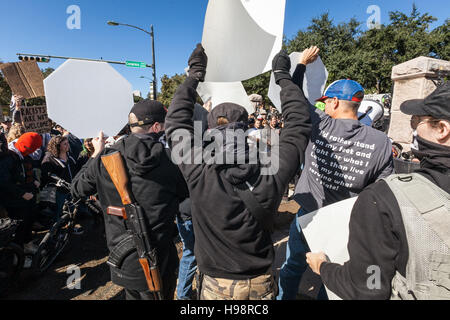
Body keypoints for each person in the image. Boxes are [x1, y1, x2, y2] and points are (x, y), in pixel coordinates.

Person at [165, 44, 312, 300]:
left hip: (214, 284)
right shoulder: (272, 166)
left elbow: (175, 121)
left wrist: (194, 75)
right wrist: (282, 76)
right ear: (245, 128)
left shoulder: (197, 167)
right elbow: (299, 123)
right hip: (260, 283)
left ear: (210, 130)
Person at [306, 81, 450, 300]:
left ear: (442, 129)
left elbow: (369, 287)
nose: (414, 128)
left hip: (322, 219)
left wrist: (323, 267)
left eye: (416, 121)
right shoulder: (382, 141)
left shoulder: (383, 199)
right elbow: (383, 175)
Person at [278, 46, 394, 300]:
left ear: (333, 101)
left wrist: (302, 65)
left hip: (309, 213)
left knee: (292, 267)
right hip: (346, 221)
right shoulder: (381, 141)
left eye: (325, 102)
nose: (324, 106)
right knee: (332, 277)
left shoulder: (320, 123)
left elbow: (292, 95)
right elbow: (384, 189)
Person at [71, 99, 188, 300]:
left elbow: (77, 188)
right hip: (159, 256)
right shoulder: (171, 159)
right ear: (157, 126)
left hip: (125, 257)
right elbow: (184, 196)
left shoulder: (105, 157)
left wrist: (96, 154)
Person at [0, 132, 42, 254]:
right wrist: (21, 194)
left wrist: (33, 181)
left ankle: (27, 244)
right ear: (27, 147)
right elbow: (4, 182)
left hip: (27, 196)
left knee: (29, 220)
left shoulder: (23, 154)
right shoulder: (8, 158)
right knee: (20, 226)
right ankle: (17, 255)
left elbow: (25, 171)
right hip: (14, 200)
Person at [41, 136, 78, 222]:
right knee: (58, 212)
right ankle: (57, 232)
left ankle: (70, 227)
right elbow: (47, 174)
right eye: (65, 144)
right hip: (58, 192)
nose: (67, 145)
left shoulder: (70, 156)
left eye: (68, 143)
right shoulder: (49, 159)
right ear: (57, 146)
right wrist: (57, 180)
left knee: (72, 210)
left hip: (70, 189)